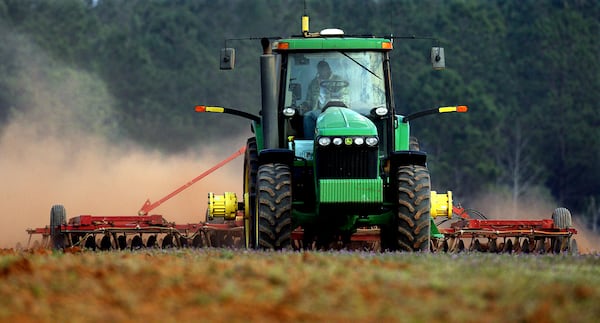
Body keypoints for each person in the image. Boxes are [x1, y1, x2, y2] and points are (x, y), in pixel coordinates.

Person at [302, 61, 348, 139]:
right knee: (308, 116)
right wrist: (304, 105)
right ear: (318, 70)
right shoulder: (314, 83)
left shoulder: (338, 80)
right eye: (320, 69)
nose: (323, 71)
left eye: (324, 69)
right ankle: (310, 142)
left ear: (329, 69)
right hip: (320, 111)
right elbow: (309, 99)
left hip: (337, 110)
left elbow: (345, 96)